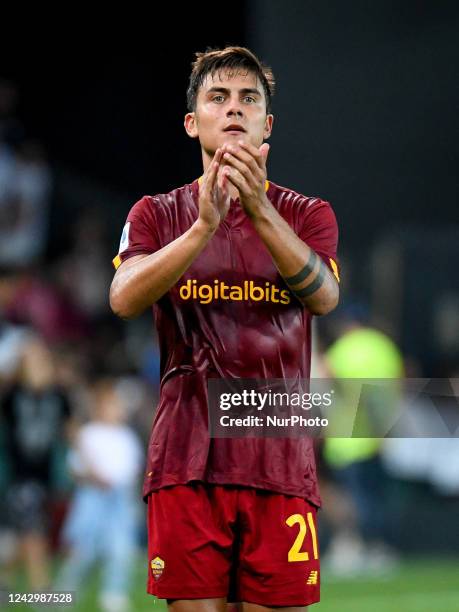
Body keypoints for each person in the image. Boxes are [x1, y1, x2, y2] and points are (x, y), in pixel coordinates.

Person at [110, 46, 340, 611]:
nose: (234, 109)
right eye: (218, 98)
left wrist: (259, 210)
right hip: (186, 462)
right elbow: (122, 299)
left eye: (248, 99)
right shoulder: (155, 214)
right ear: (193, 123)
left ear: (267, 123)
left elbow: (324, 297)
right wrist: (201, 230)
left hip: (279, 461)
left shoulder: (309, 214)